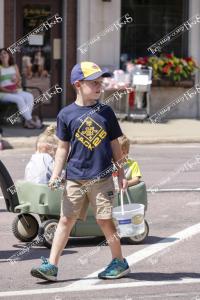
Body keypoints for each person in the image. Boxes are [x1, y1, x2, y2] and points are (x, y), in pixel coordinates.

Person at [31, 61, 130, 281]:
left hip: (102, 178)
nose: (99, 87)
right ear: (78, 84)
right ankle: (52, 266)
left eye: (100, 83)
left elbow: (116, 144)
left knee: (105, 221)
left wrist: (121, 173)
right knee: (66, 220)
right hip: (74, 178)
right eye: (94, 83)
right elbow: (62, 148)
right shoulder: (66, 114)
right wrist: (56, 174)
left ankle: (119, 262)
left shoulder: (106, 112)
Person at [0, 48, 41, 129]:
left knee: (29, 96)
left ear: (8, 55)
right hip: (3, 93)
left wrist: (16, 80)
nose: (3, 55)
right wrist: (10, 91)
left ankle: (26, 121)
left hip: (16, 91)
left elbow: (19, 80)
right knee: (19, 99)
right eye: (0, 54)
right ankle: (30, 121)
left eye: (5, 53)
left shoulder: (14, 66)